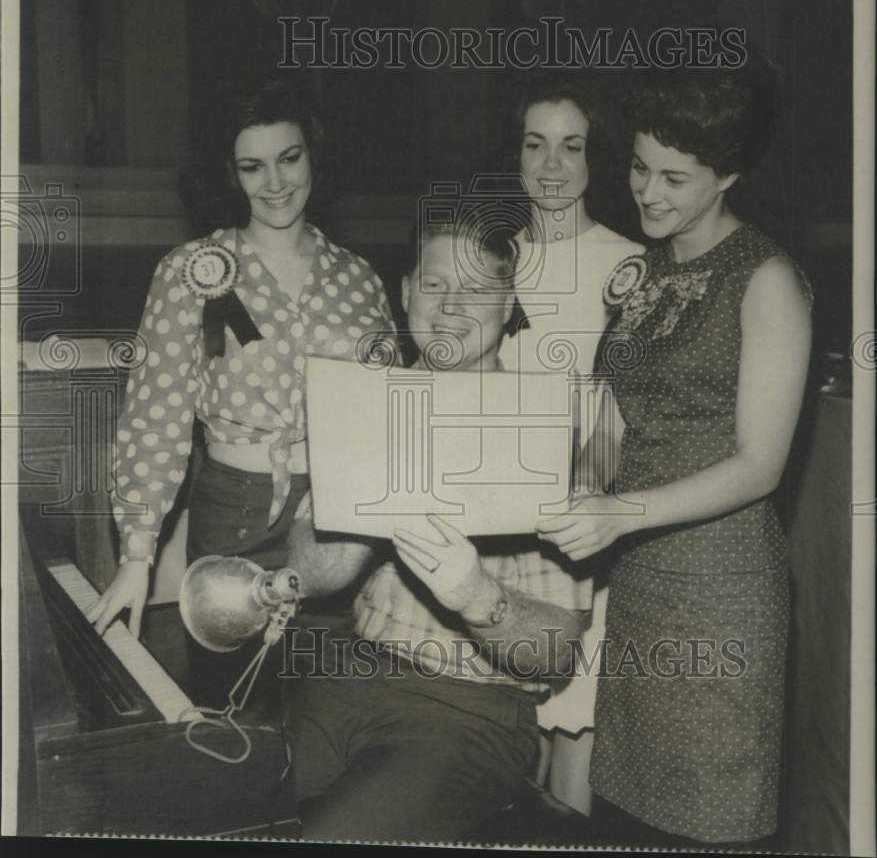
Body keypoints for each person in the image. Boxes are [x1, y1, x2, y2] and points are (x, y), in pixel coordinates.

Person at [537, 56, 813, 849]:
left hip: (721, 597)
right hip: (636, 589)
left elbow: (762, 464)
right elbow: (606, 415)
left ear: (728, 175)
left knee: (711, 822)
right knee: (626, 817)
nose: (647, 191)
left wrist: (617, 512)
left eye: (675, 178)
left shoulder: (766, 282)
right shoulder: (646, 273)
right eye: (637, 167)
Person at [283, 212, 589, 844]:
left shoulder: (547, 427)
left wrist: (477, 596)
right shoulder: (368, 400)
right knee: (203, 803)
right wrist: (344, 488)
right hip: (346, 671)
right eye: (433, 284)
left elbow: (556, 652)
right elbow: (312, 578)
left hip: (465, 711)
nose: (450, 307)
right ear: (403, 291)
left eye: (476, 289)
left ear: (509, 303)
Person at [87, 77, 396, 664]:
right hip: (235, 511)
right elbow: (158, 416)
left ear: (313, 155)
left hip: (340, 524)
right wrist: (136, 557)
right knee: (235, 710)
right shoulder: (192, 270)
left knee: (328, 702)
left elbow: (389, 418)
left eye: (289, 158)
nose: (275, 183)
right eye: (253, 167)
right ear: (231, 174)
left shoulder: (359, 277)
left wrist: (377, 531)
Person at [497, 72, 643, 814]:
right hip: (501, 529)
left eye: (572, 146)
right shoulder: (490, 260)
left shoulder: (628, 266)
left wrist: (586, 504)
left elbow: (633, 412)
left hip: (587, 525)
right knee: (513, 730)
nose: (552, 165)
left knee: (575, 718)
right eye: (535, 143)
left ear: (595, 160)